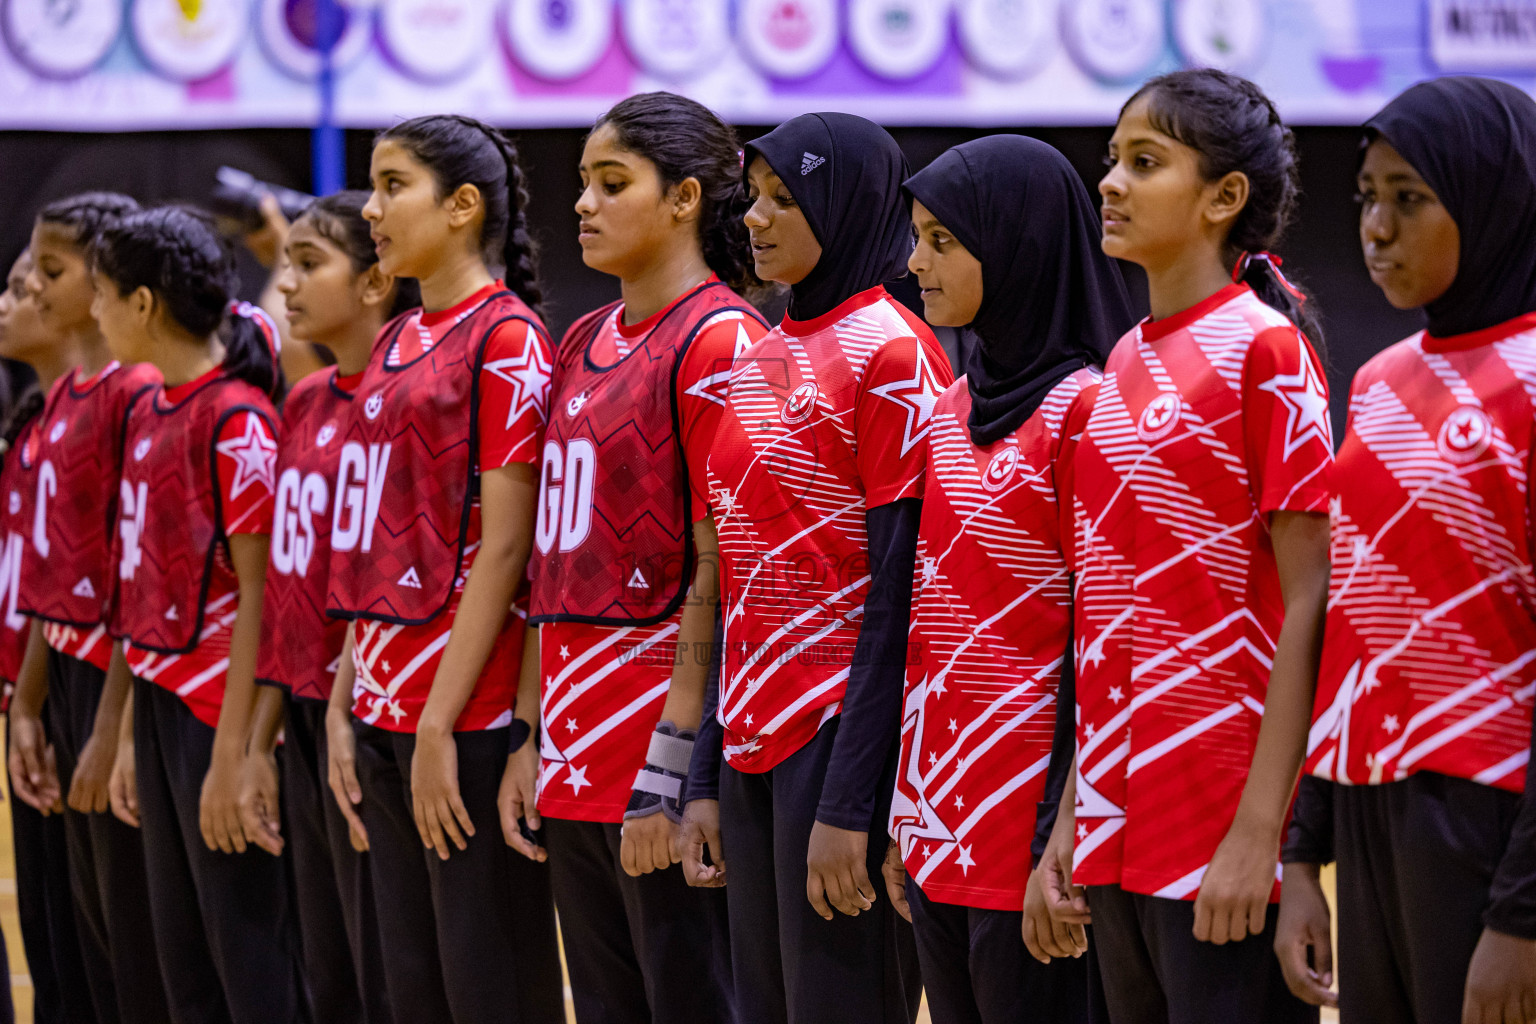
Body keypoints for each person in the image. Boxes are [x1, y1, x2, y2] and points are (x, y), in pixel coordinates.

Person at [1051, 68, 1332, 1023]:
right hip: (1112, 824)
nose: (1111, 183)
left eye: (1144, 162)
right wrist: (1066, 821)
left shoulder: (1268, 351)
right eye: (1111, 161)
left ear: (1225, 197)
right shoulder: (1121, 362)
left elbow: (1312, 603)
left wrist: (1267, 837)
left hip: (1217, 827)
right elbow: (1099, 610)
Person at [499, 91, 768, 1024]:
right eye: (582, 182)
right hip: (572, 749)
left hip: (658, 749)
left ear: (687, 197)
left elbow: (724, 570)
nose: (583, 203)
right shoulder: (580, 339)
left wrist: (673, 761)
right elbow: (547, 564)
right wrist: (534, 731)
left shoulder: (723, 342)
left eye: (612, 183)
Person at [677, 111, 948, 1024]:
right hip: (749, 731)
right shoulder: (754, 354)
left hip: (836, 736)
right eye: (753, 196)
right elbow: (733, 582)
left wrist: (851, 801)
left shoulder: (893, 351)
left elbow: (899, 595)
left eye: (785, 199)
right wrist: (707, 777)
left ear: (849, 205)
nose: (754, 218)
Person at [1277, 76, 1536, 1024]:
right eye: (1366, 198)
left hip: (1491, 815)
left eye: (1410, 198)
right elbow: (1343, 631)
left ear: (1492, 199)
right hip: (1367, 802)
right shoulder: (1382, 381)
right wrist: (1304, 853)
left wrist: (1522, 915)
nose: (1375, 228)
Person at [881, 134, 1137, 1024]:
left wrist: (1059, 837)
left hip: (1031, 842)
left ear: (1019, 245)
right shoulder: (950, 409)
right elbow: (921, 631)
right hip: (936, 827)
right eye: (916, 237)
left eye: (942, 241)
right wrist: (904, 815)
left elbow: (1100, 646)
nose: (915, 263)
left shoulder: (1089, 407)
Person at [323, 114, 563, 1024]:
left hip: (463, 717)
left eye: (392, 186)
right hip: (383, 708)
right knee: (413, 989)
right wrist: (347, 700)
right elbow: (373, 543)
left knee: (485, 983)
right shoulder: (391, 342)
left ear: (463, 207)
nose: (370, 209)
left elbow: (509, 546)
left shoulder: (507, 340)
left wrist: (437, 726)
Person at [94, 205, 304, 1024]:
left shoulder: (238, 421)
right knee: (184, 965)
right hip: (159, 703)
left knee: (250, 963)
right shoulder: (151, 409)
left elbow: (261, 591)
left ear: (143, 305)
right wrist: (124, 739)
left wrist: (230, 754)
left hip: (219, 713)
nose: (98, 313)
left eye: (107, 295)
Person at [243, 191, 417, 1024]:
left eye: (309, 266)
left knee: (387, 965)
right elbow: (285, 593)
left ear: (379, 279)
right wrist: (256, 740)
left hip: (376, 713)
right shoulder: (304, 404)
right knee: (328, 970)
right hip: (305, 717)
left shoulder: (401, 406)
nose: (288, 287)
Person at [8, 193, 170, 1024]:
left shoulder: (132, 392)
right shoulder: (64, 397)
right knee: (64, 927)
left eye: (51, 271)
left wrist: (113, 721)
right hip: (66, 670)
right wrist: (29, 702)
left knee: (124, 937)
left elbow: (132, 577)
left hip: (123, 676)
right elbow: (49, 580)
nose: (30, 287)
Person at [0, 249, 70, 1024]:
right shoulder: (30, 430)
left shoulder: (115, 412)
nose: (10, 302)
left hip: (69, 694)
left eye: (28, 287)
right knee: (51, 946)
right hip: (31, 698)